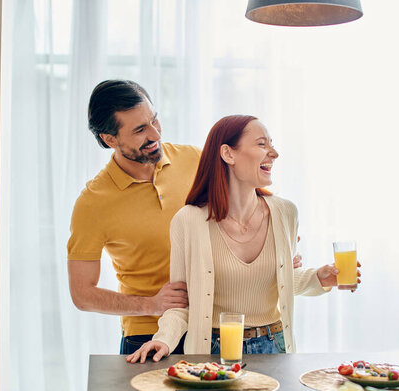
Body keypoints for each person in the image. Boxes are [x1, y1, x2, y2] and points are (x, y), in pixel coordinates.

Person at [126, 115, 362, 363]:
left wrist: (320, 278)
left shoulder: (285, 213)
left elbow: (279, 281)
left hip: (274, 347)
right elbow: (180, 301)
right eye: (262, 144)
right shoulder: (188, 221)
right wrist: (163, 339)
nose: (274, 153)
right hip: (213, 351)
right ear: (228, 154)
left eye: (271, 144)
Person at [67, 80, 200, 354]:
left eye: (154, 120)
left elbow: (254, 207)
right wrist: (152, 304)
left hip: (209, 328)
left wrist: (277, 251)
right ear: (110, 139)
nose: (155, 134)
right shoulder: (93, 202)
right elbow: (82, 294)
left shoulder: (195, 160)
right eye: (140, 130)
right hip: (146, 336)